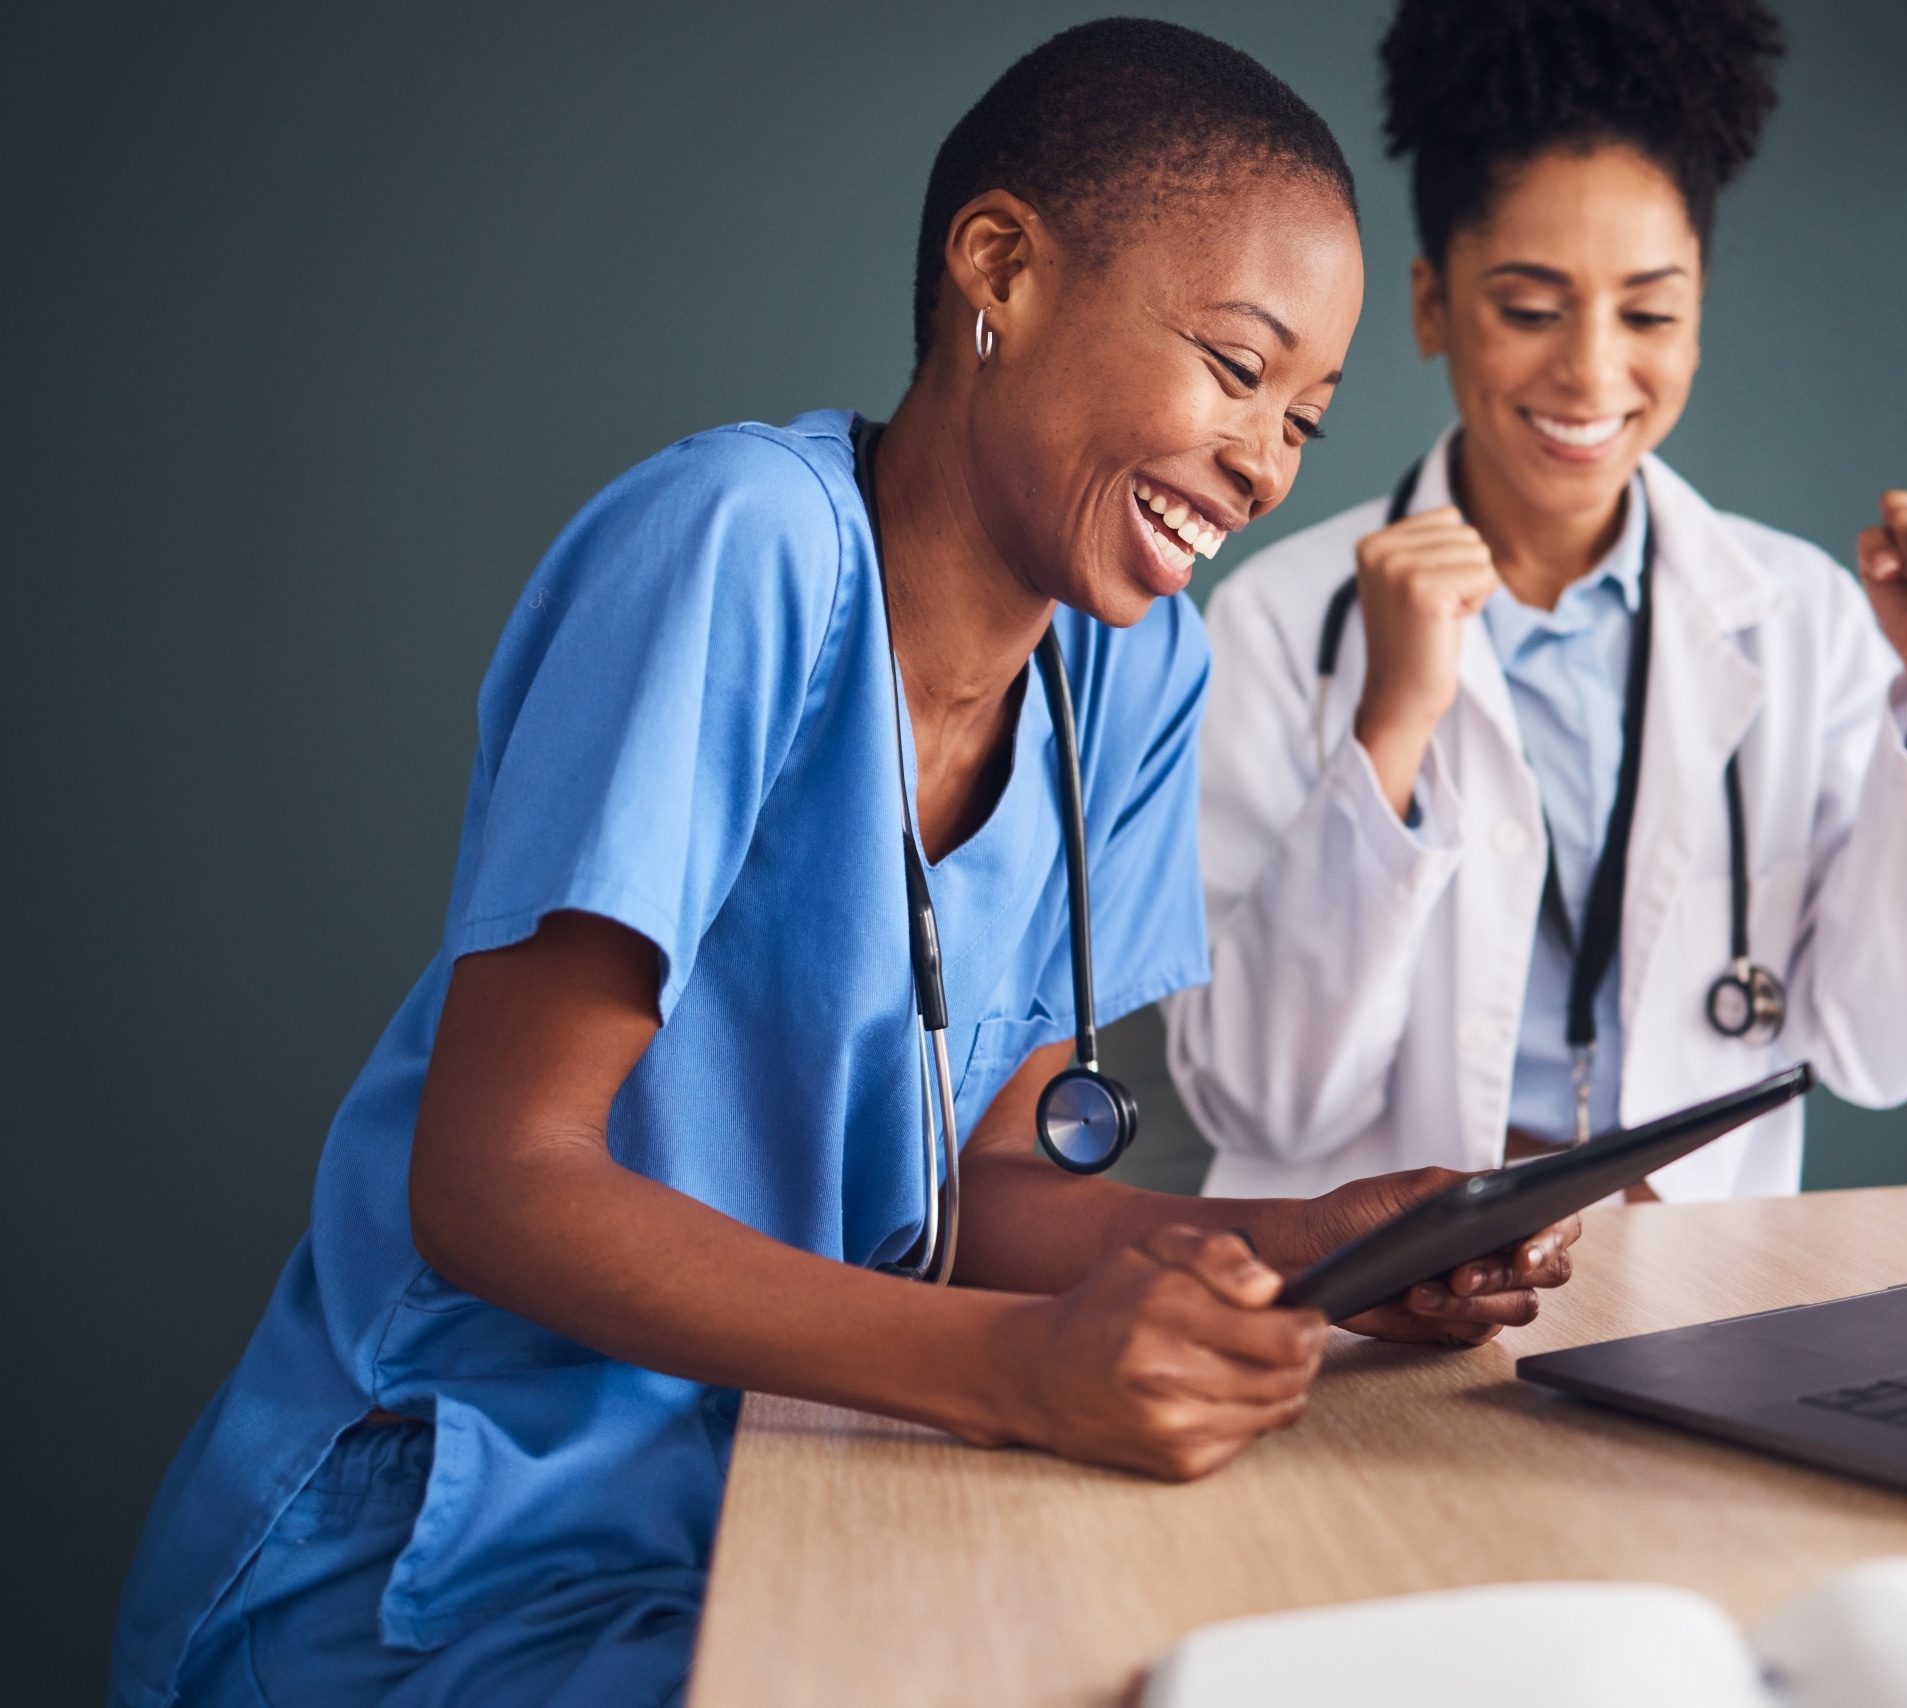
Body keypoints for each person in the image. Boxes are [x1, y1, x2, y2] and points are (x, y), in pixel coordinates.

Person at [111, 22, 1578, 1707]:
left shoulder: (1135, 668)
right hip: (439, 1554)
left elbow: (978, 1196)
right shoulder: (741, 544)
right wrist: (1021, 1371)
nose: (1263, 460)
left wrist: (1302, 1247)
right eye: (1234, 370)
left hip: (784, 1489)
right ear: (1001, 268)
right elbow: (493, 1176)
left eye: (1307, 419)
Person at [1166, 0, 1907, 1203]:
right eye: (1528, 308)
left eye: (1650, 312)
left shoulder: (1805, 619)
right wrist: (1391, 730)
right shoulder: (1277, 624)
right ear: (1429, 306)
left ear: (1700, 313)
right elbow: (1256, 1096)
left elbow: (1882, 1049)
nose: (1590, 369)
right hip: (1379, 1309)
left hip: (1698, 1299)